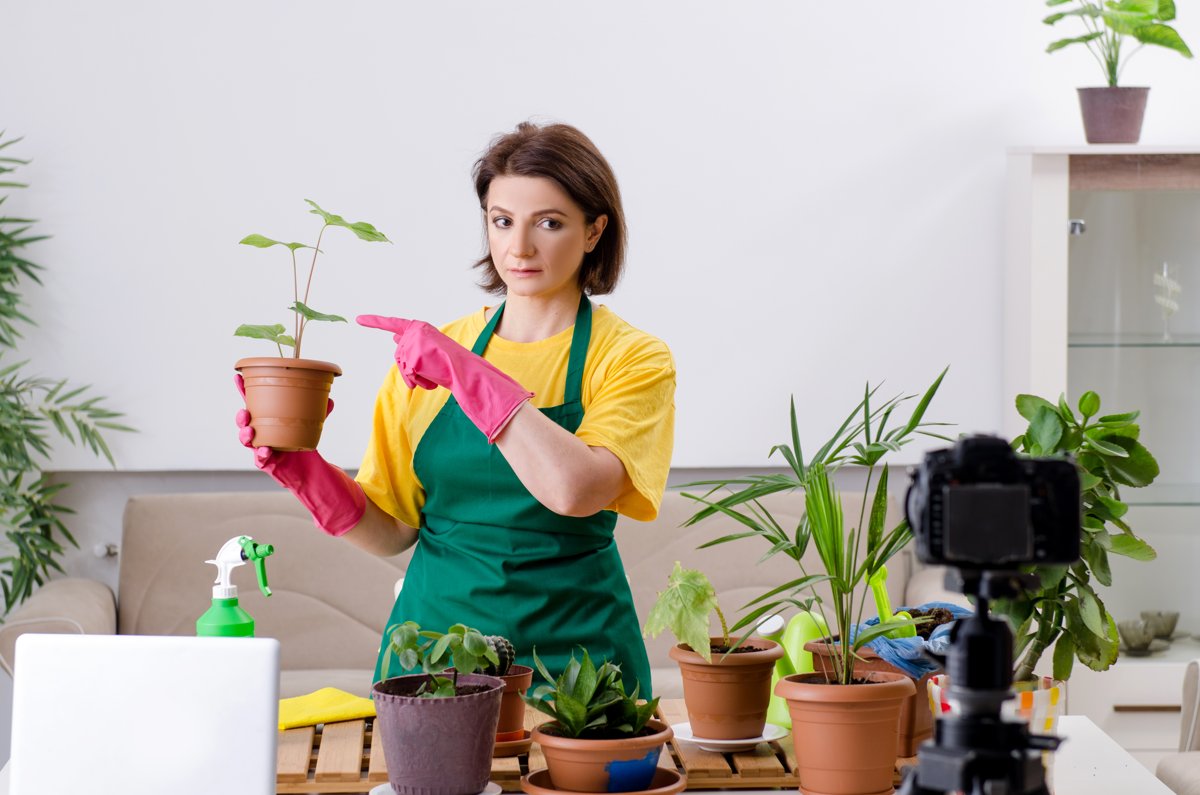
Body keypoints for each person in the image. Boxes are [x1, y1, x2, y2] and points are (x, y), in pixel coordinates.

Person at [235, 121, 675, 695]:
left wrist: (469, 375)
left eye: (549, 222)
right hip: (434, 658)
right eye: (502, 221)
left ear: (594, 231)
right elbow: (393, 530)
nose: (519, 247)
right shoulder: (433, 354)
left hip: (580, 665)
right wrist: (304, 472)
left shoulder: (631, 357)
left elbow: (576, 489)